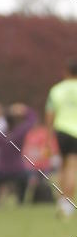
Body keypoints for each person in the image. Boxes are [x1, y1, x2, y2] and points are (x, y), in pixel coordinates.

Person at [0, 103, 36, 206]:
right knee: (27, 176)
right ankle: (21, 200)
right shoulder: (20, 133)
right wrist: (24, 109)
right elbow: (32, 120)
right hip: (18, 170)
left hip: (0, 170)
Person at [45, 61, 77, 216]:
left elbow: (50, 114)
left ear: (66, 72)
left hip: (61, 130)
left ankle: (62, 200)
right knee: (72, 166)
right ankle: (68, 202)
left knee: (63, 166)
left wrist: (48, 137)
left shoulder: (56, 90)